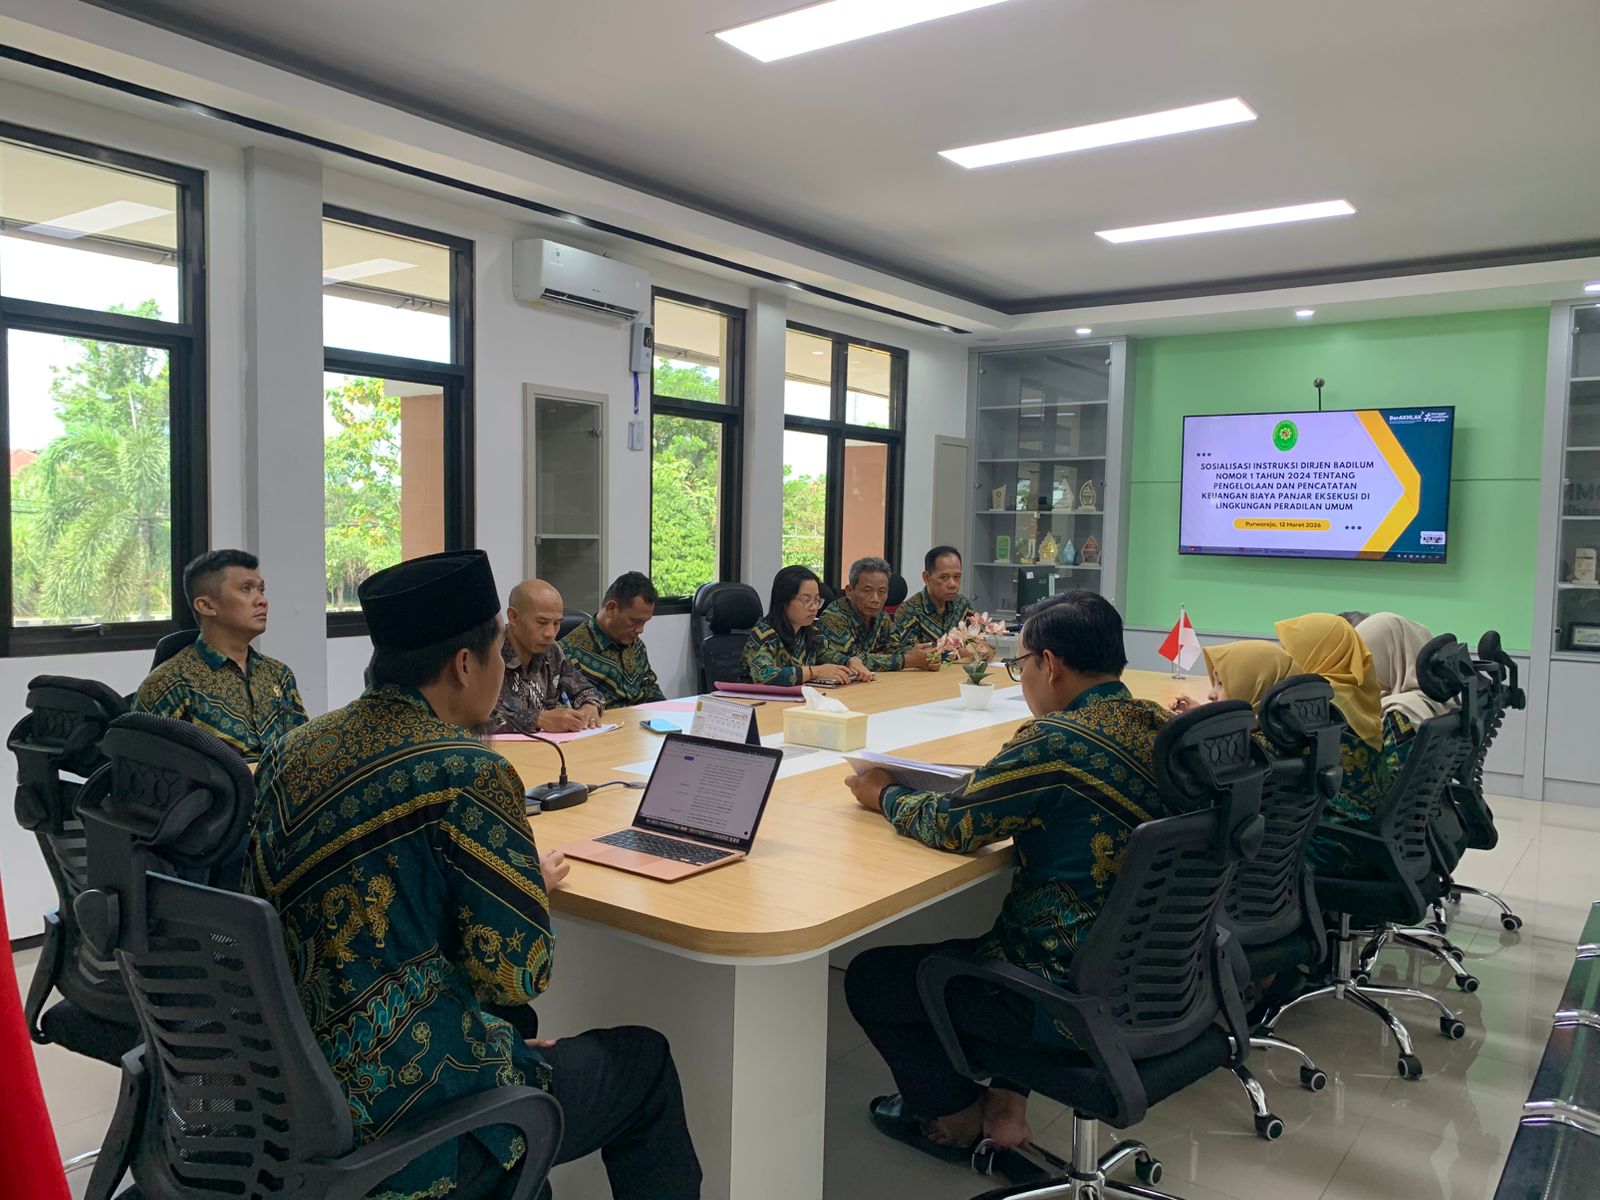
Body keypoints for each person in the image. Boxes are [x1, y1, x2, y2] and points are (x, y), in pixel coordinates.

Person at [242, 550, 701, 1200]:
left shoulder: (292, 748)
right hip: (407, 1102)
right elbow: (515, 976)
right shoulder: (469, 770)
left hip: (280, 1082)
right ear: (465, 664)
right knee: (643, 1062)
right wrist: (526, 888)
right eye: (497, 654)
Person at [841, 591, 1182, 1162]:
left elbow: (953, 825)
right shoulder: (1162, 726)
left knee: (874, 977)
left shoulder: (1055, 742)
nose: (1019, 677)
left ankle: (954, 1114)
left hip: (1064, 992)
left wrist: (883, 793)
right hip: (1163, 973)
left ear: (1049, 664)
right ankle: (1006, 1106)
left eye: (1019, 663)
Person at [134, 549, 307, 764]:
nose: (262, 600)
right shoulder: (168, 685)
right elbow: (146, 773)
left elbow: (302, 751)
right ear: (206, 606)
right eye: (246, 589)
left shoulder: (279, 674)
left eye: (261, 590)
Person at [1278, 613, 1397, 875]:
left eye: (1289, 652)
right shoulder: (1353, 692)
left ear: (1315, 653)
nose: (1284, 660)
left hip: (1331, 842)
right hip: (1365, 835)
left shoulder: (1320, 707)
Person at [490, 578, 604, 734]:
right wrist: (538, 719)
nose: (550, 633)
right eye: (542, 622)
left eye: (557, 623)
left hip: (550, 746)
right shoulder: (488, 654)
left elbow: (586, 690)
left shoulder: (552, 651)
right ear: (513, 616)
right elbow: (475, 720)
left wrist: (590, 706)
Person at [743, 564, 869, 685]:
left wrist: (850, 661)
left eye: (817, 600)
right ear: (784, 600)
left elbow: (827, 655)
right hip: (759, 699)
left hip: (800, 696)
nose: (814, 607)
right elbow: (763, 676)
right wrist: (814, 672)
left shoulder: (810, 631)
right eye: (806, 600)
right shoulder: (763, 634)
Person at [1356, 611, 1453, 763]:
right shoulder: (1443, 700)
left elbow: (1391, 773)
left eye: (1366, 659)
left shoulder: (1401, 713)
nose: (1361, 670)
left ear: (1387, 656)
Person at [561, 572, 667, 708]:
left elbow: (650, 687)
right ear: (611, 609)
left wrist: (666, 712)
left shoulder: (636, 646)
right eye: (635, 621)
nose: (640, 630)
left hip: (641, 718)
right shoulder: (569, 652)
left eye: (645, 622)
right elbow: (571, 707)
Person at [817, 556, 939, 673]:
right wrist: (906, 661)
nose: (875, 599)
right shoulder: (834, 617)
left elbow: (895, 648)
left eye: (882, 591)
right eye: (867, 590)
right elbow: (851, 660)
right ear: (849, 591)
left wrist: (924, 656)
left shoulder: (881, 616)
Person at [892, 546, 982, 653]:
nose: (952, 584)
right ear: (926, 577)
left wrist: (984, 649)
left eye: (957, 577)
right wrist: (959, 654)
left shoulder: (963, 605)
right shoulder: (908, 611)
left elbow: (979, 641)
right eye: (944, 577)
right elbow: (909, 655)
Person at [1171, 640, 1295, 714]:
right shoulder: (1282, 733)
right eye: (1215, 683)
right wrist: (1201, 713)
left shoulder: (1244, 744)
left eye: (1221, 683)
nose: (1210, 695)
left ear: (1256, 687)